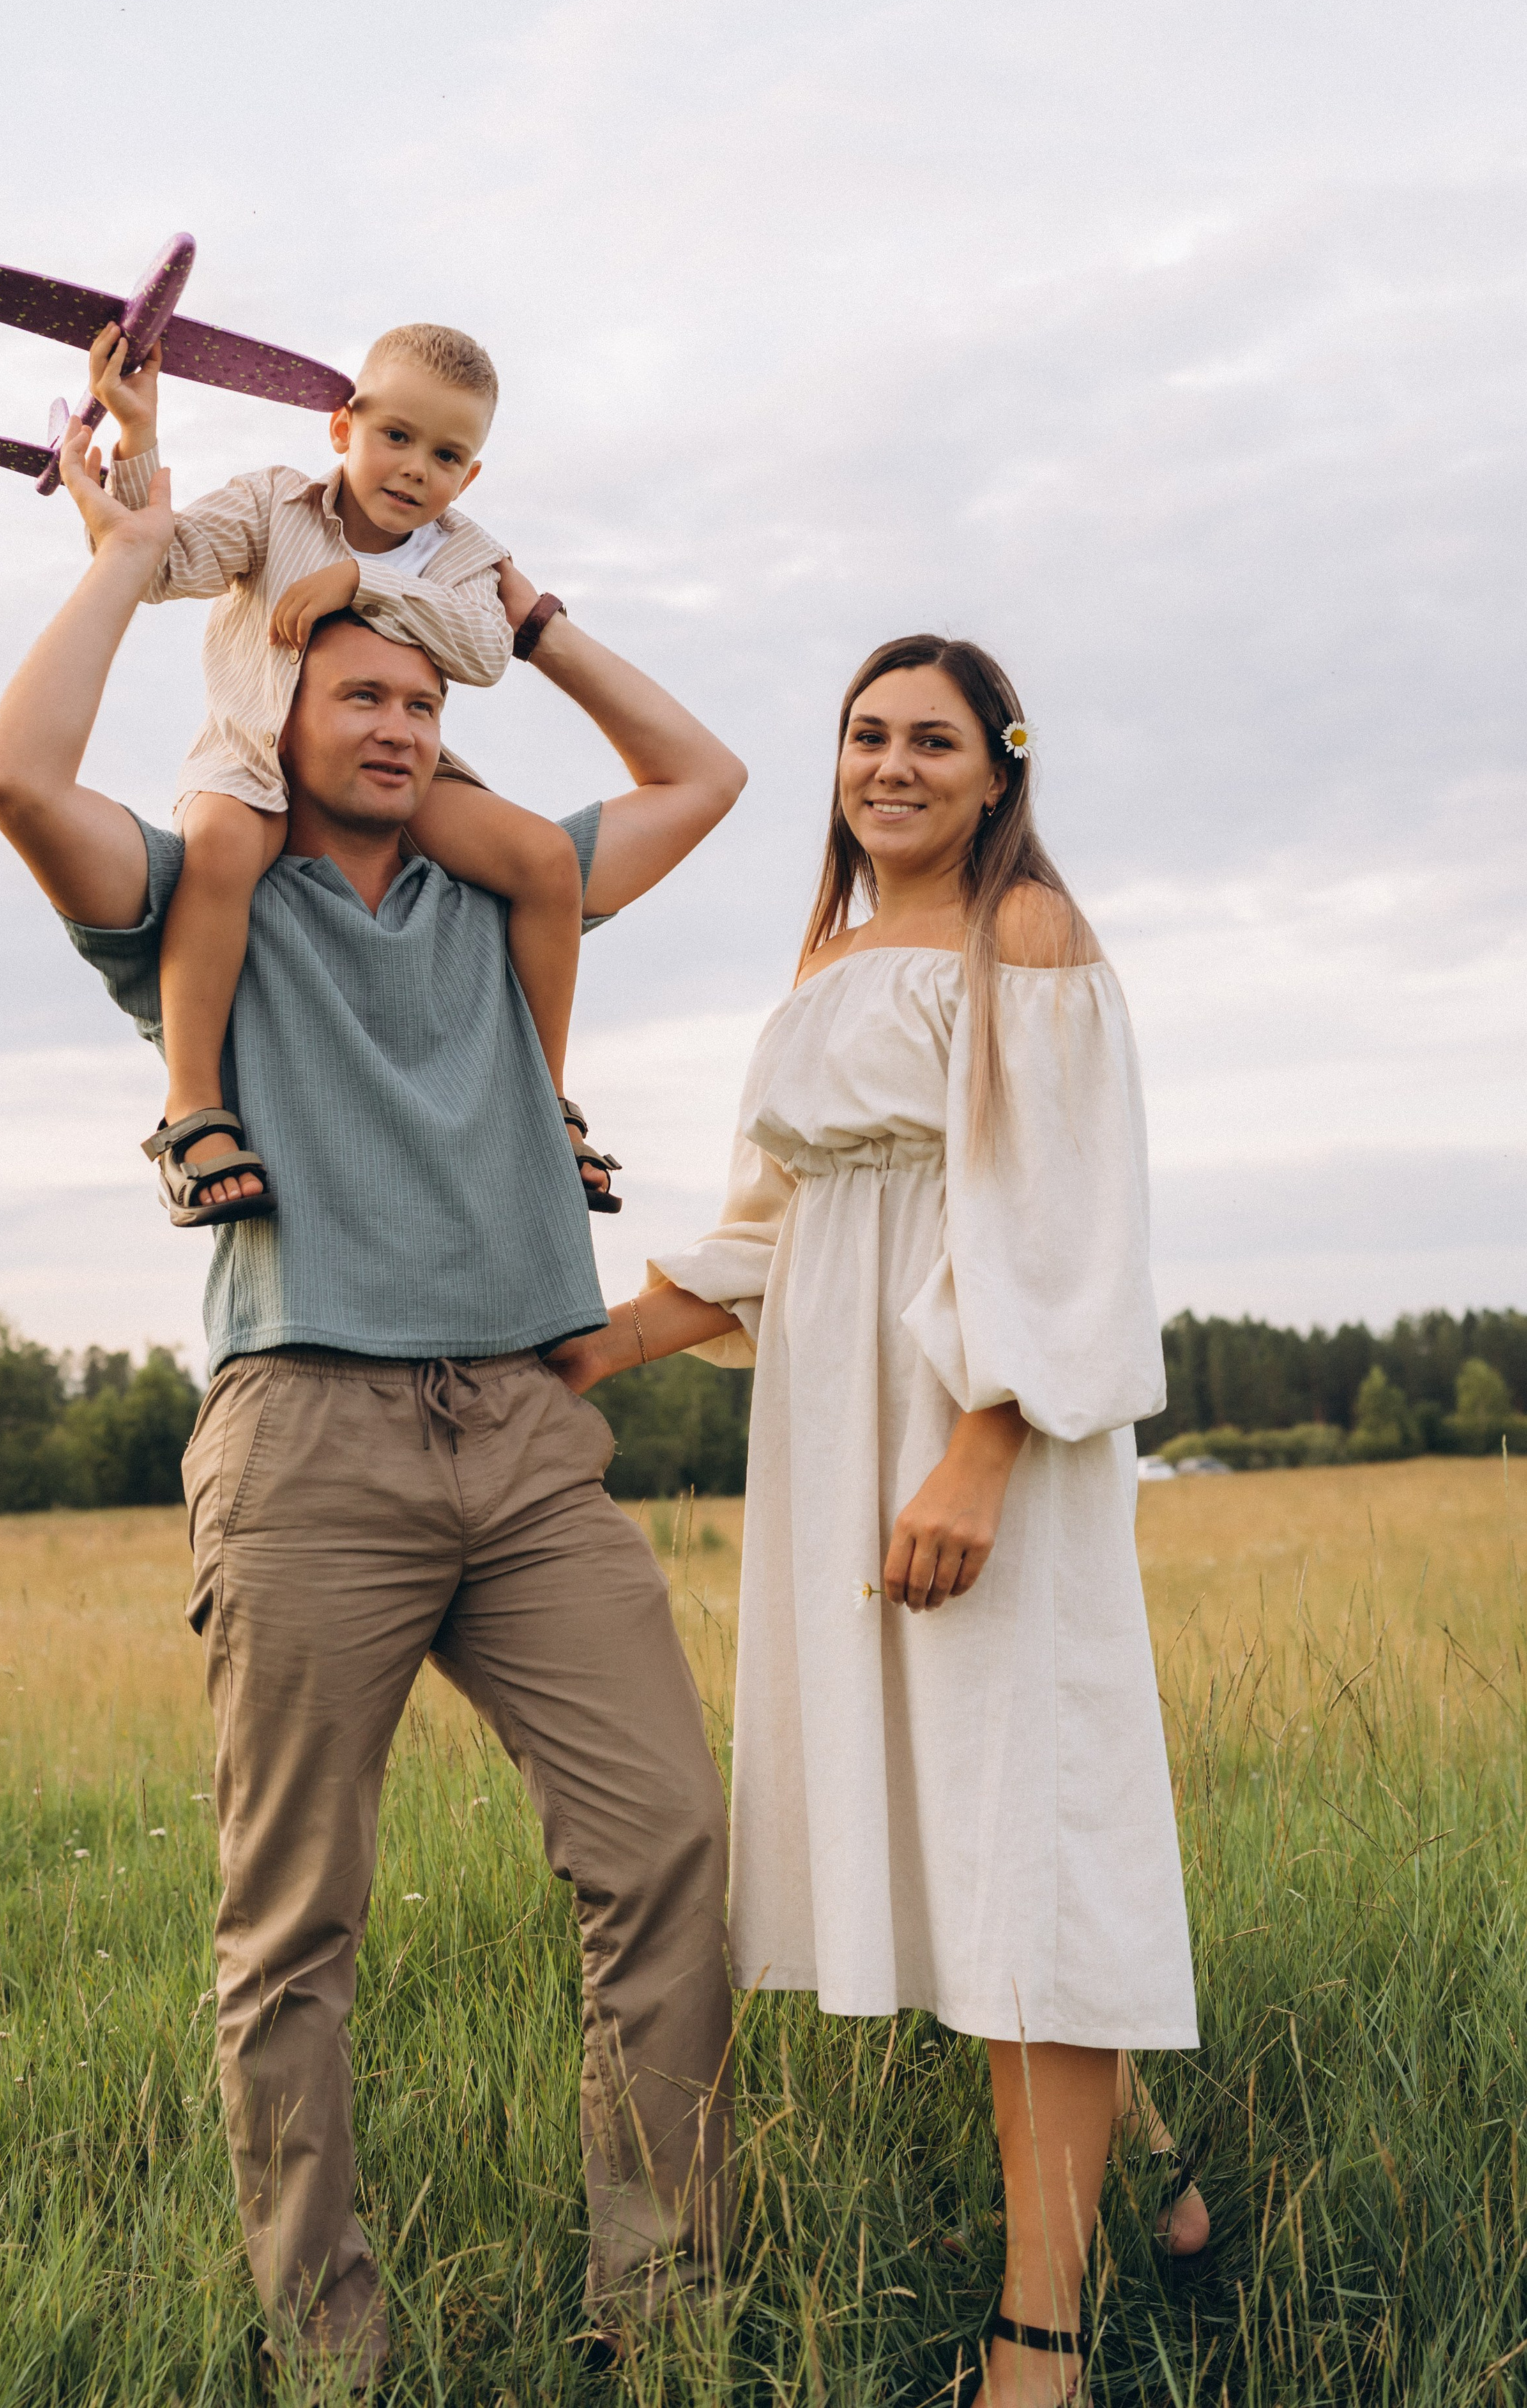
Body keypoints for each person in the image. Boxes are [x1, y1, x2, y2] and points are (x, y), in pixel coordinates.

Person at [0, 418, 747, 2386]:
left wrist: (530, 621)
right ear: (280, 709)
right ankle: (332, 2341)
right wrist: (131, 554)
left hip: (530, 1439)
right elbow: (18, 780)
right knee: (295, 1922)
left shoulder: (505, 891)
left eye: (422, 701)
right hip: (309, 1437)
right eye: (360, 696)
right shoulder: (198, 902)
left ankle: (661, 2312)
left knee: (668, 1844)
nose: (398, 725)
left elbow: (702, 777)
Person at [550, 633, 1201, 2405]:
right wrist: (589, 1348)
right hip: (832, 1433)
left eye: (930, 740)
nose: (889, 766)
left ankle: (1040, 2339)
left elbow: (1066, 1216)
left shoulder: (1024, 935)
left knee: (1022, 1831)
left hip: (976, 1432)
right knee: (946, 1833)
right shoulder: (828, 957)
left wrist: (980, 1447)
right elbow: (770, 1227)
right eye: (862, 735)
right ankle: (1159, 2180)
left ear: (998, 770)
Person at [79, 314, 619, 1225]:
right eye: (396, 436)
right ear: (343, 428)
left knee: (544, 859)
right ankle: (193, 1105)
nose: (415, 469)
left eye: (446, 456)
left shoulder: (466, 555)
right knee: (220, 850)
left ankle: (545, 1097)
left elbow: (486, 649)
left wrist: (363, 584)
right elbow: (160, 567)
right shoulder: (274, 505)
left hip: (390, 779)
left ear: (469, 476)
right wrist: (137, 435)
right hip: (252, 754)